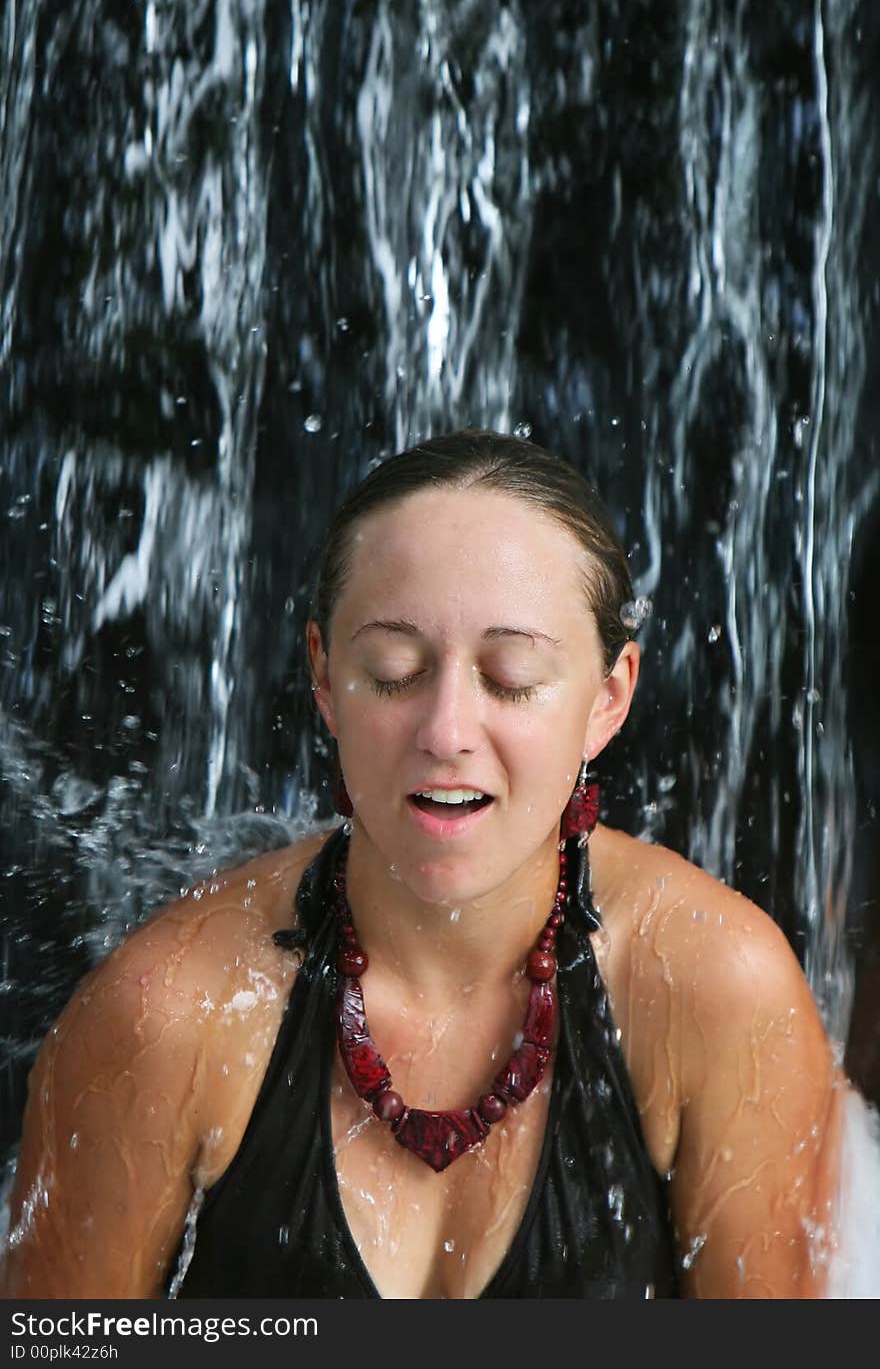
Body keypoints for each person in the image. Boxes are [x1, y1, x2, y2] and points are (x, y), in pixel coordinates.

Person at [1, 430, 844, 1299]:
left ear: (609, 697)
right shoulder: (169, 1016)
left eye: (511, 677)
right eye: (395, 671)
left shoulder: (713, 992)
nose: (446, 731)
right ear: (325, 678)